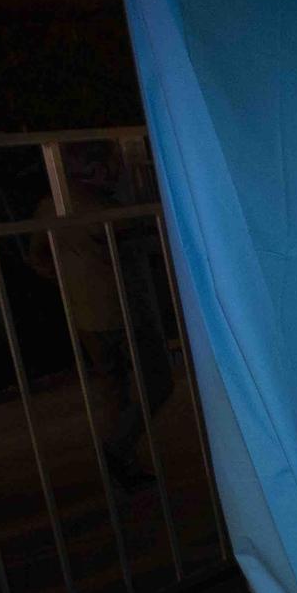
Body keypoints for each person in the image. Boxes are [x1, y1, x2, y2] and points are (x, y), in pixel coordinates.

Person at [29, 140, 177, 492]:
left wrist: (67, 276)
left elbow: (36, 257)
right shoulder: (107, 208)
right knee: (157, 381)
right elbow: (147, 247)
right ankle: (119, 449)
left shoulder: (49, 208)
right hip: (125, 309)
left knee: (114, 387)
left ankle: (122, 459)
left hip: (84, 311)